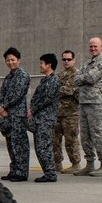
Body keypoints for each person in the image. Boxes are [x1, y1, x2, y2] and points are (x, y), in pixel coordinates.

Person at [76, 37, 102, 177]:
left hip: (96, 102)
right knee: (85, 135)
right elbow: (76, 79)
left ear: (101, 46)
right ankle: (90, 164)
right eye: (91, 46)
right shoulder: (87, 63)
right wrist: (83, 77)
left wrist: (82, 77)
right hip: (83, 102)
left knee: (97, 133)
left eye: (95, 46)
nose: (93, 49)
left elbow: (91, 78)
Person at [0, 47, 31, 182]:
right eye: (8, 60)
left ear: (18, 60)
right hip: (8, 116)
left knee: (20, 144)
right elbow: (2, 94)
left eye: (13, 60)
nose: (10, 62)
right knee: (11, 144)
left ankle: (21, 172)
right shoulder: (8, 77)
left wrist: (4, 106)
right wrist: (0, 107)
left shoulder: (23, 75)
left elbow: (17, 94)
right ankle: (14, 170)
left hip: (18, 115)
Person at [30, 53, 61, 182]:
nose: (40, 65)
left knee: (44, 146)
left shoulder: (53, 80)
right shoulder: (45, 80)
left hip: (45, 118)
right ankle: (47, 172)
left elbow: (46, 99)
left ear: (49, 65)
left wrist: (32, 110)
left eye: (42, 63)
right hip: (40, 118)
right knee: (40, 147)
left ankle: (50, 173)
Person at [55, 49, 83, 173]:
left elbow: (71, 90)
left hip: (71, 113)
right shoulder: (60, 75)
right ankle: (57, 163)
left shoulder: (77, 75)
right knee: (54, 139)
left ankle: (75, 163)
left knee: (71, 139)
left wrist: (59, 89)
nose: (66, 61)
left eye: (69, 59)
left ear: (74, 60)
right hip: (58, 112)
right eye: (64, 59)